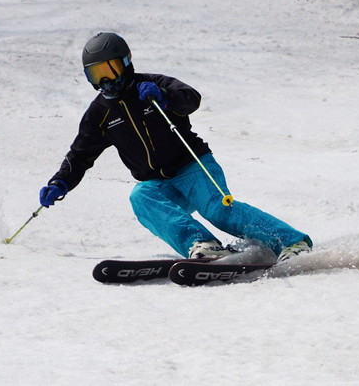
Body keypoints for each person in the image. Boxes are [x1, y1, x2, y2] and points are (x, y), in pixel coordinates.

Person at [39, 32, 312, 262]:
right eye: (96, 74)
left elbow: (191, 99)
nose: (105, 81)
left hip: (193, 167)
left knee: (218, 210)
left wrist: (165, 97)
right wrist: (60, 182)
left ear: (125, 62)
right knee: (141, 198)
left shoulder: (153, 85)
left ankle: (292, 242)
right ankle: (204, 246)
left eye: (109, 70)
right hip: (159, 183)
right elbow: (80, 154)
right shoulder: (100, 114)